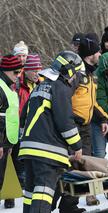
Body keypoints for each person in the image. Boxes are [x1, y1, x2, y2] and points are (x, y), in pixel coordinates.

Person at [19, 51, 84, 213]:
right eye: (77, 74)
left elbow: (24, 118)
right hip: (46, 152)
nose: (77, 79)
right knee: (43, 193)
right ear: (70, 72)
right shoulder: (60, 88)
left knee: (31, 193)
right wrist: (77, 146)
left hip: (29, 150)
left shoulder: (39, 87)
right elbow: (65, 121)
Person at [55, 33, 108, 212]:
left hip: (85, 127)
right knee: (72, 167)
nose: (100, 54)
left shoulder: (92, 74)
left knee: (82, 168)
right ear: (91, 53)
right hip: (73, 126)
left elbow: (91, 102)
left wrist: (102, 118)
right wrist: (68, 121)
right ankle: (60, 204)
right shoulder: (77, 73)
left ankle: (71, 205)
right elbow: (63, 99)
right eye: (98, 51)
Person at [12, 54, 42, 190]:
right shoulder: (17, 84)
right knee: (19, 161)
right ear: (27, 70)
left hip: (35, 128)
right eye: (34, 70)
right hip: (18, 127)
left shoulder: (41, 83)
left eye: (39, 70)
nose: (37, 73)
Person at [0, 55, 23, 209]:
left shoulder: (8, 86)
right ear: (6, 71)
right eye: (15, 72)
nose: (18, 75)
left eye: (20, 72)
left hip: (9, 141)